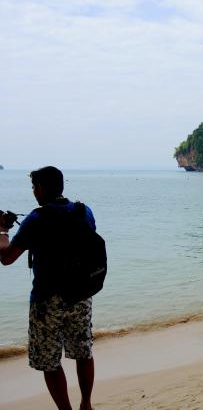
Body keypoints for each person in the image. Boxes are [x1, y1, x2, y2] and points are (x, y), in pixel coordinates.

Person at [0, 166, 96, 410]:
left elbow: (7, 257)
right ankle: (86, 405)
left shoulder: (36, 218)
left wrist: (2, 230)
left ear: (41, 188)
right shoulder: (84, 212)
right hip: (81, 295)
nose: (33, 192)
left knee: (49, 362)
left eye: (34, 187)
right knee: (83, 352)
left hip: (46, 300)